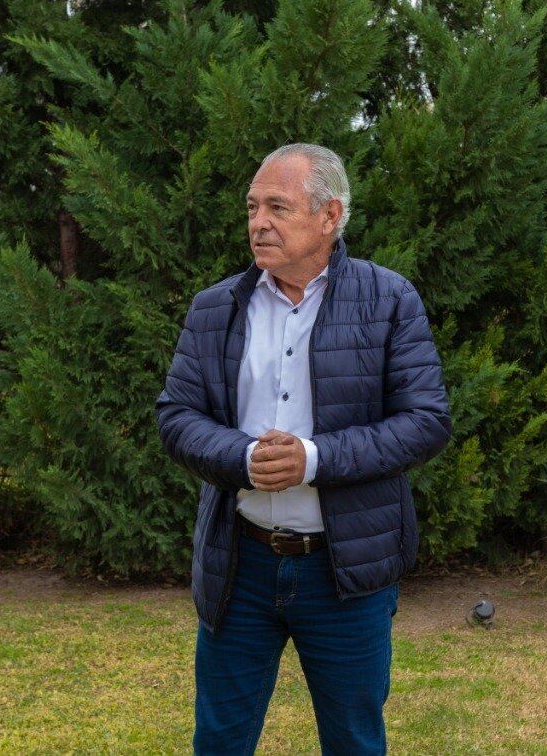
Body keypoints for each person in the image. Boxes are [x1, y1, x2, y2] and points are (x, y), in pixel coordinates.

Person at [156, 143, 452, 755]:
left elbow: (426, 422)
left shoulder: (389, 300)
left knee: (353, 742)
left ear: (329, 216)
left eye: (277, 207)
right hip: (240, 565)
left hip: (344, 573)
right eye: (252, 207)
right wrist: (241, 459)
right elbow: (177, 416)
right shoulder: (216, 308)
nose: (258, 222)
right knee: (218, 741)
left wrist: (313, 460)